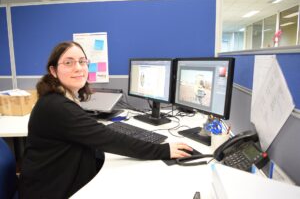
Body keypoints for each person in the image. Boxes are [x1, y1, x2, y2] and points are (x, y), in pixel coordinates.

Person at [19, 41, 193, 199]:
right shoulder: (57, 107)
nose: (78, 68)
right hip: (50, 191)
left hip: (55, 178)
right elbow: (108, 139)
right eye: (68, 62)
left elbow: (96, 135)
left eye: (82, 61)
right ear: (53, 71)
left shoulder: (57, 99)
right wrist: (163, 150)